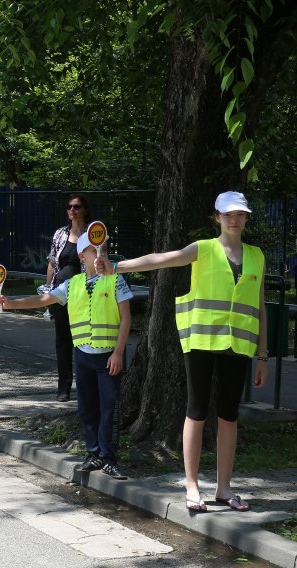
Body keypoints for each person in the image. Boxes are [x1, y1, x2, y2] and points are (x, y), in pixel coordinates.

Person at [95, 191, 267, 511]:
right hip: (201, 340)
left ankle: (224, 489)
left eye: (240, 214)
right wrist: (116, 266)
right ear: (216, 217)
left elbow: (259, 307)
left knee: (229, 416)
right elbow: (162, 258)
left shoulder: (257, 255)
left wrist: (263, 355)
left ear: (245, 218)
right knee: (197, 410)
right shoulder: (203, 249)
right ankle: (191, 485)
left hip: (239, 344)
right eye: (228, 214)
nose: (234, 219)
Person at [0, 228, 132, 479]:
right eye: (94, 250)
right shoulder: (72, 284)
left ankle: (109, 458)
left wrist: (119, 352)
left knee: (109, 408)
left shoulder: (116, 279)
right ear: (82, 255)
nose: (101, 254)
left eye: (104, 249)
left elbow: (126, 319)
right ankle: (93, 454)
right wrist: (11, 302)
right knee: (86, 408)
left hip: (108, 356)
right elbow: (42, 300)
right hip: (82, 355)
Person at [42, 194, 91, 401]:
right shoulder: (60, 234)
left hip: (85, 295)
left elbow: (100, 261)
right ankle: (63, 387)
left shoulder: (93, 234)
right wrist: (47, 290)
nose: (72, 210)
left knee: (83, 339)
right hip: (61, 295)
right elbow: (53, 263)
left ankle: (86, 386)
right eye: (69, 207)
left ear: (85, 210)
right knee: (63, 341)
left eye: (77, 206)